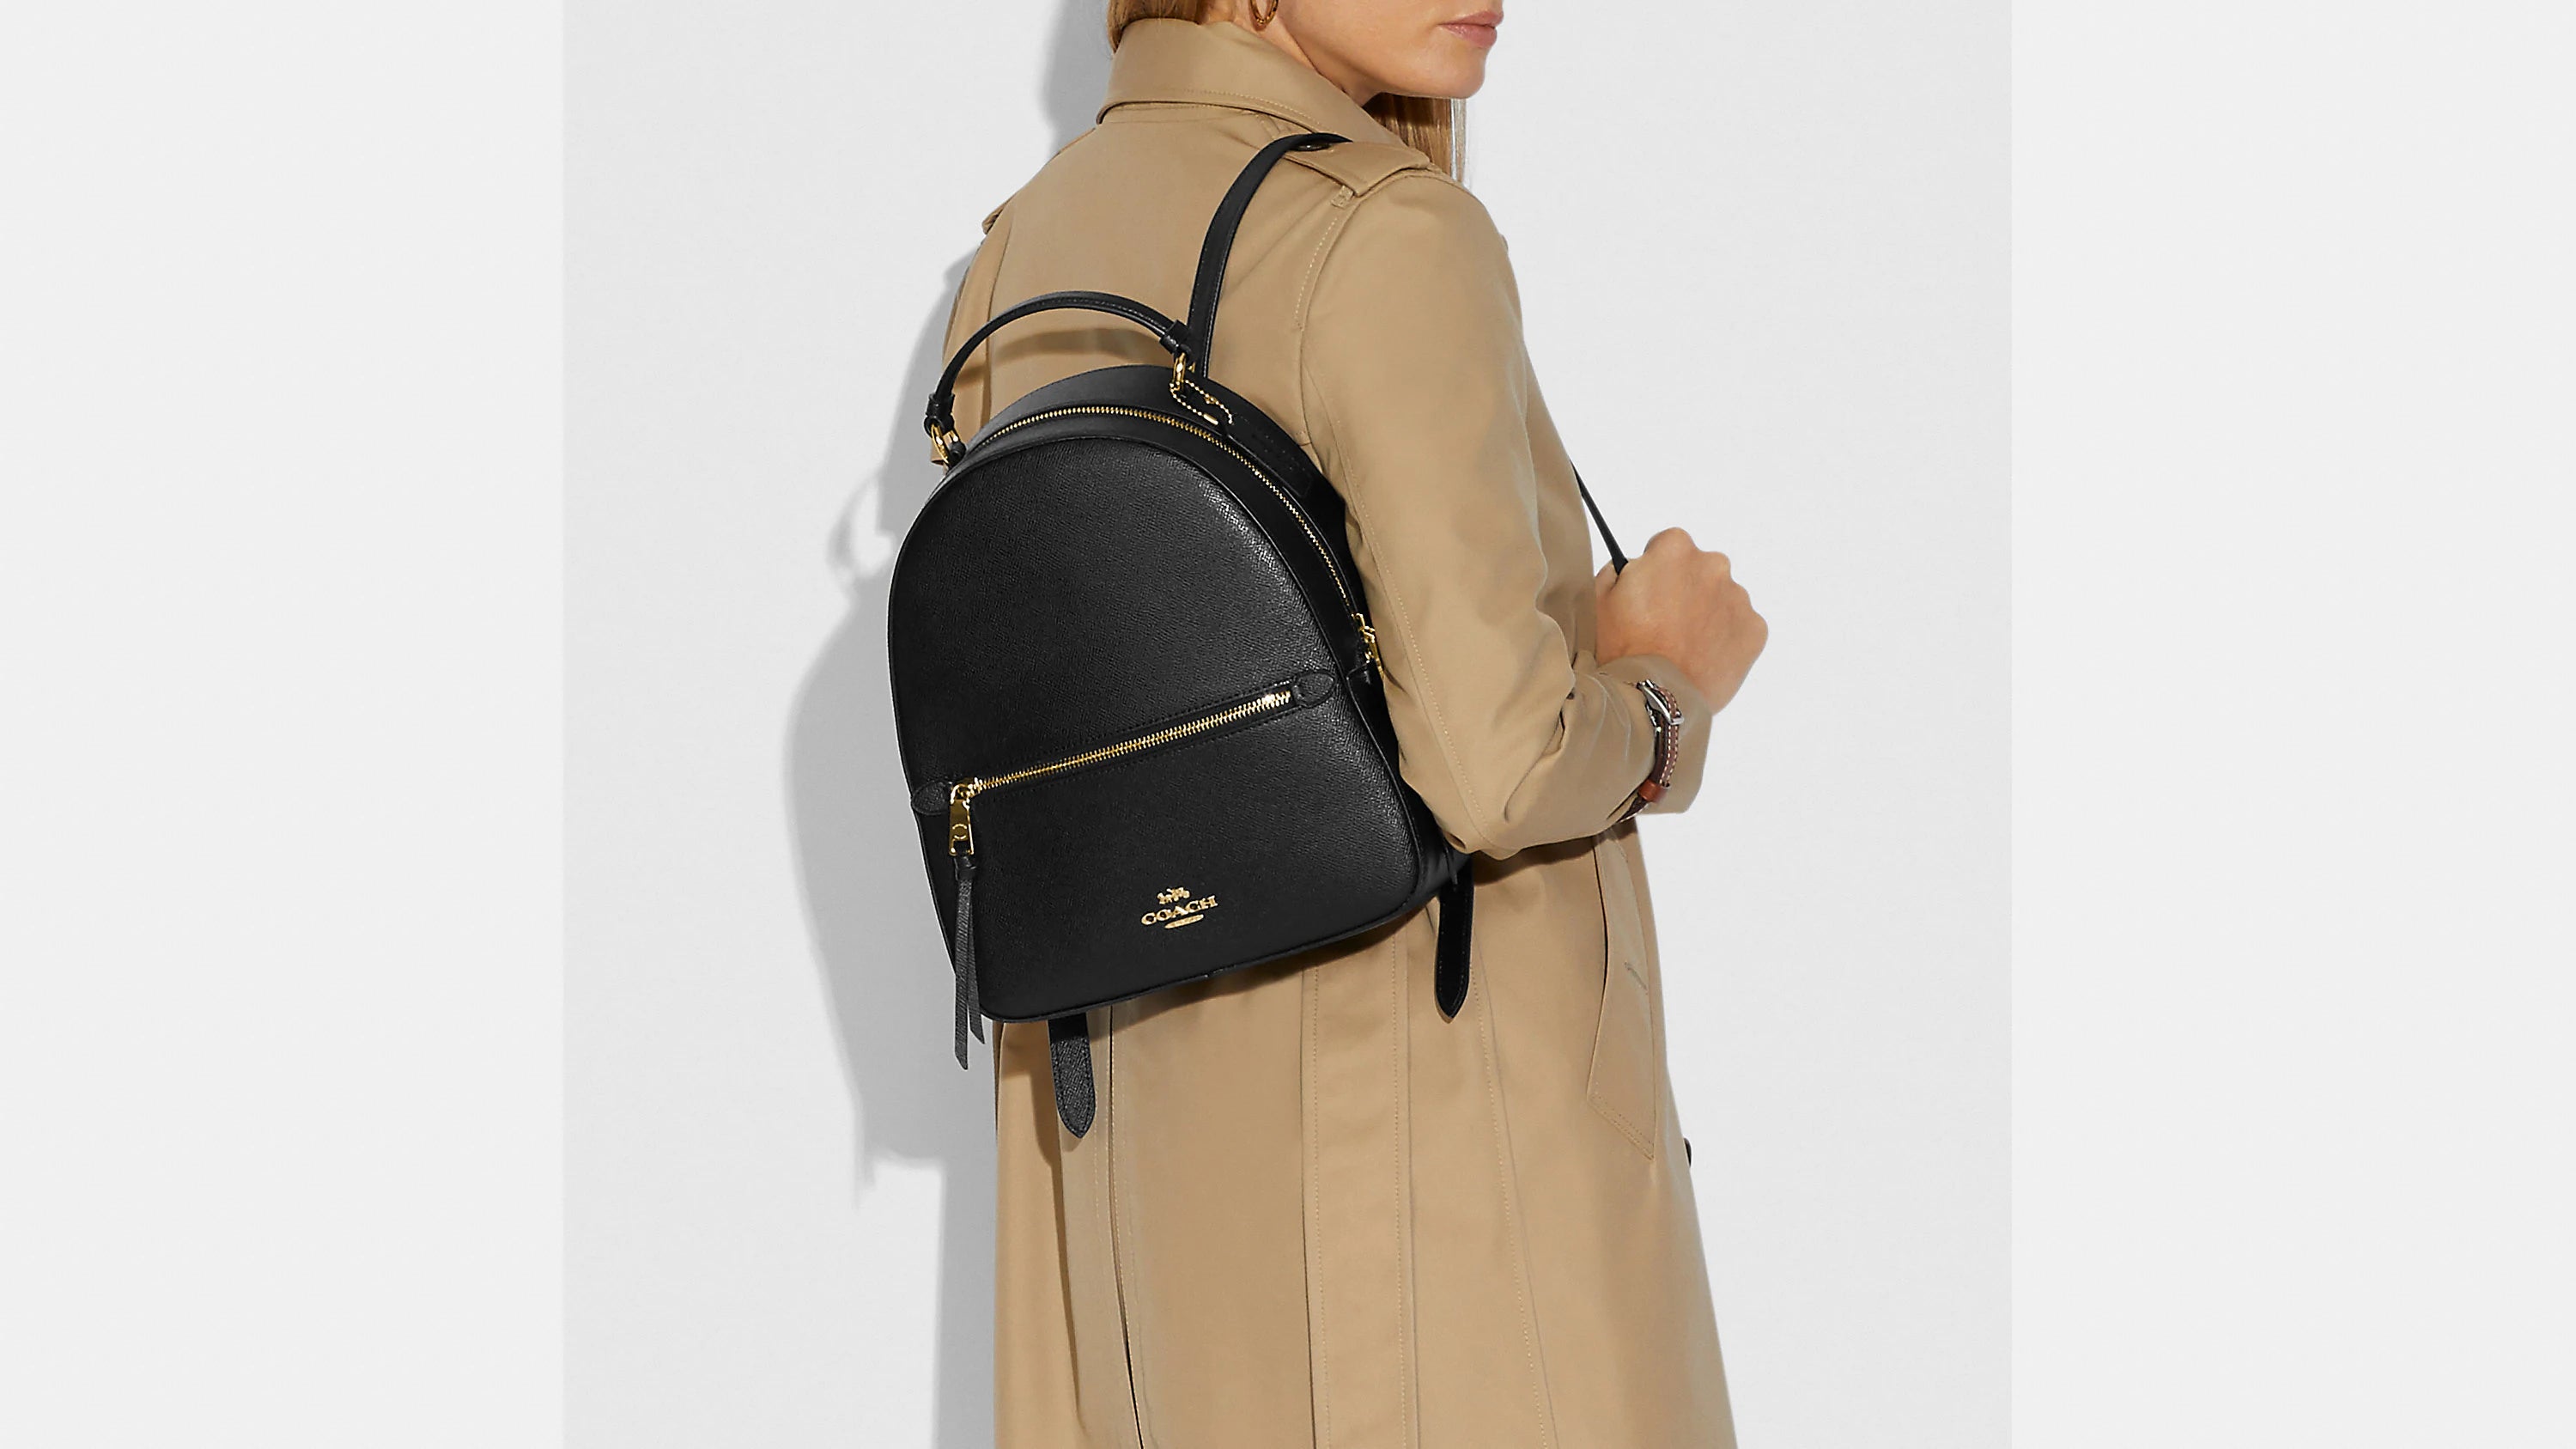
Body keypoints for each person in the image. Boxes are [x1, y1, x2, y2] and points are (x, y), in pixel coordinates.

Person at [936, 4, 1769, 1444]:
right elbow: (1499, 770)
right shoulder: (1385, 233)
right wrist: (1662, 689)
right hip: (1438, 1173)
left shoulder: (1025, 248)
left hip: (1140, 1170)